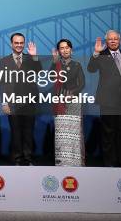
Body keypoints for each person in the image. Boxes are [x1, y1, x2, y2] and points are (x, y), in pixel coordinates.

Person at [87, 29, 121, 167]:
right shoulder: (101, 55)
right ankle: (109, 162)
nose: (113, 41)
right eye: (110, 39)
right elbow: (91, 69)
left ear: (120, 41)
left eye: (116, 38)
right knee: (108, 132)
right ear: (106, 41)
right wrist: (96, 53)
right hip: (108, 101)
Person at [0, 32, 42, 166]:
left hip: (29, 101)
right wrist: (4, 102)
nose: (19, 45)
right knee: (16, 132)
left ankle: (28, 159)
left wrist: (35, 57)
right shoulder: (4, 60)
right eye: (16, 43)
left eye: (21, 43)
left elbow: (38, 71)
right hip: (12, 103)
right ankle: (17, 158)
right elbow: (2, 83)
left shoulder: (31, 58)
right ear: (11, 44)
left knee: (28, 132)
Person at [49, 38, 85, 166]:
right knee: (61, 132)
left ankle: (76, 162)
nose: (65, 50)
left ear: (71, 49)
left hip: (73, 101)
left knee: (74, 132)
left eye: (67, 47)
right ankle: (62, 161)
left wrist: (71, 94)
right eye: (62, 48)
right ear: (58, 51)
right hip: (59, 102)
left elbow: (82, 84)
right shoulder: (56, 64)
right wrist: (54, 63)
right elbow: (51, 78)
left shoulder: (76, 65)